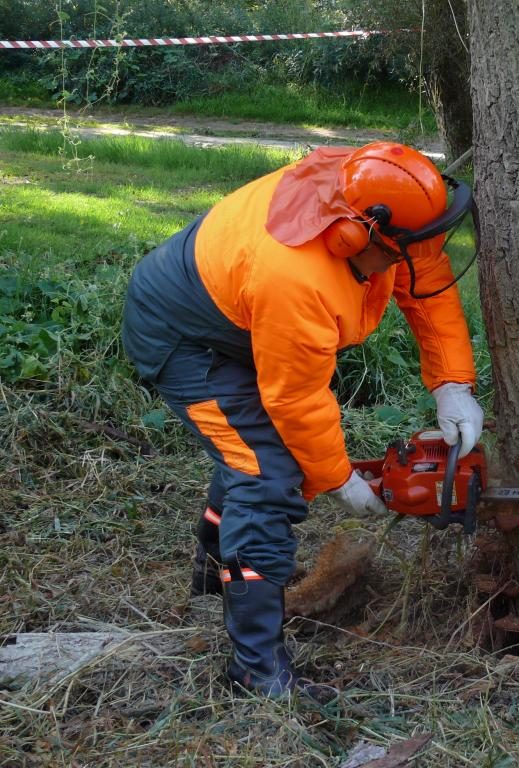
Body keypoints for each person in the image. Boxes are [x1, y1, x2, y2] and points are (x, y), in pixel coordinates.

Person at [121, 141, 484, 698]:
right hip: (184, 337)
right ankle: (255, 668)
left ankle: (215, 568)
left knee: (257, 452)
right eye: (396, 250)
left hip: (240, 314)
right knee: (265, 474)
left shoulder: (379, 195)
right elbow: (295, 399)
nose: (408, 256)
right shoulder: (295, 276)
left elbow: (423, 273)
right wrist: (338, 480)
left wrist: (452, 382)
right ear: (353, 237)